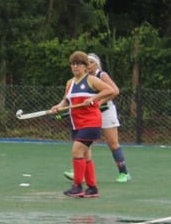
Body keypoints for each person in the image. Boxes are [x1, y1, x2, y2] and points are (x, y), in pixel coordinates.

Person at [50, 51, 119, 198]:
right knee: (86, 155)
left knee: (76, 151)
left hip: (91, 122)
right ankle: (92, 188)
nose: (75, 67)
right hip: (77, 124)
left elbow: (110, 90)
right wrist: (57, 107)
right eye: (73, 64)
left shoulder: (91, 80)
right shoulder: (69, 83)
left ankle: (77, 186)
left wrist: (95, 98)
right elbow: (66, 101)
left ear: (85, 66)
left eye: (79, 64)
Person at [72, 53, 131, 183]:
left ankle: (124, 172)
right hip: (91, 114)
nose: (89, 65)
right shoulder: (81, 78)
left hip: (106, 111)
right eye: (87, 62)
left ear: (96, 64)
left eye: (91, 62)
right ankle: (80, 172)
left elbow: (114, 91)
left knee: (112, 143)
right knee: (84, 142)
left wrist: (99, 101)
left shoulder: (101, 75)